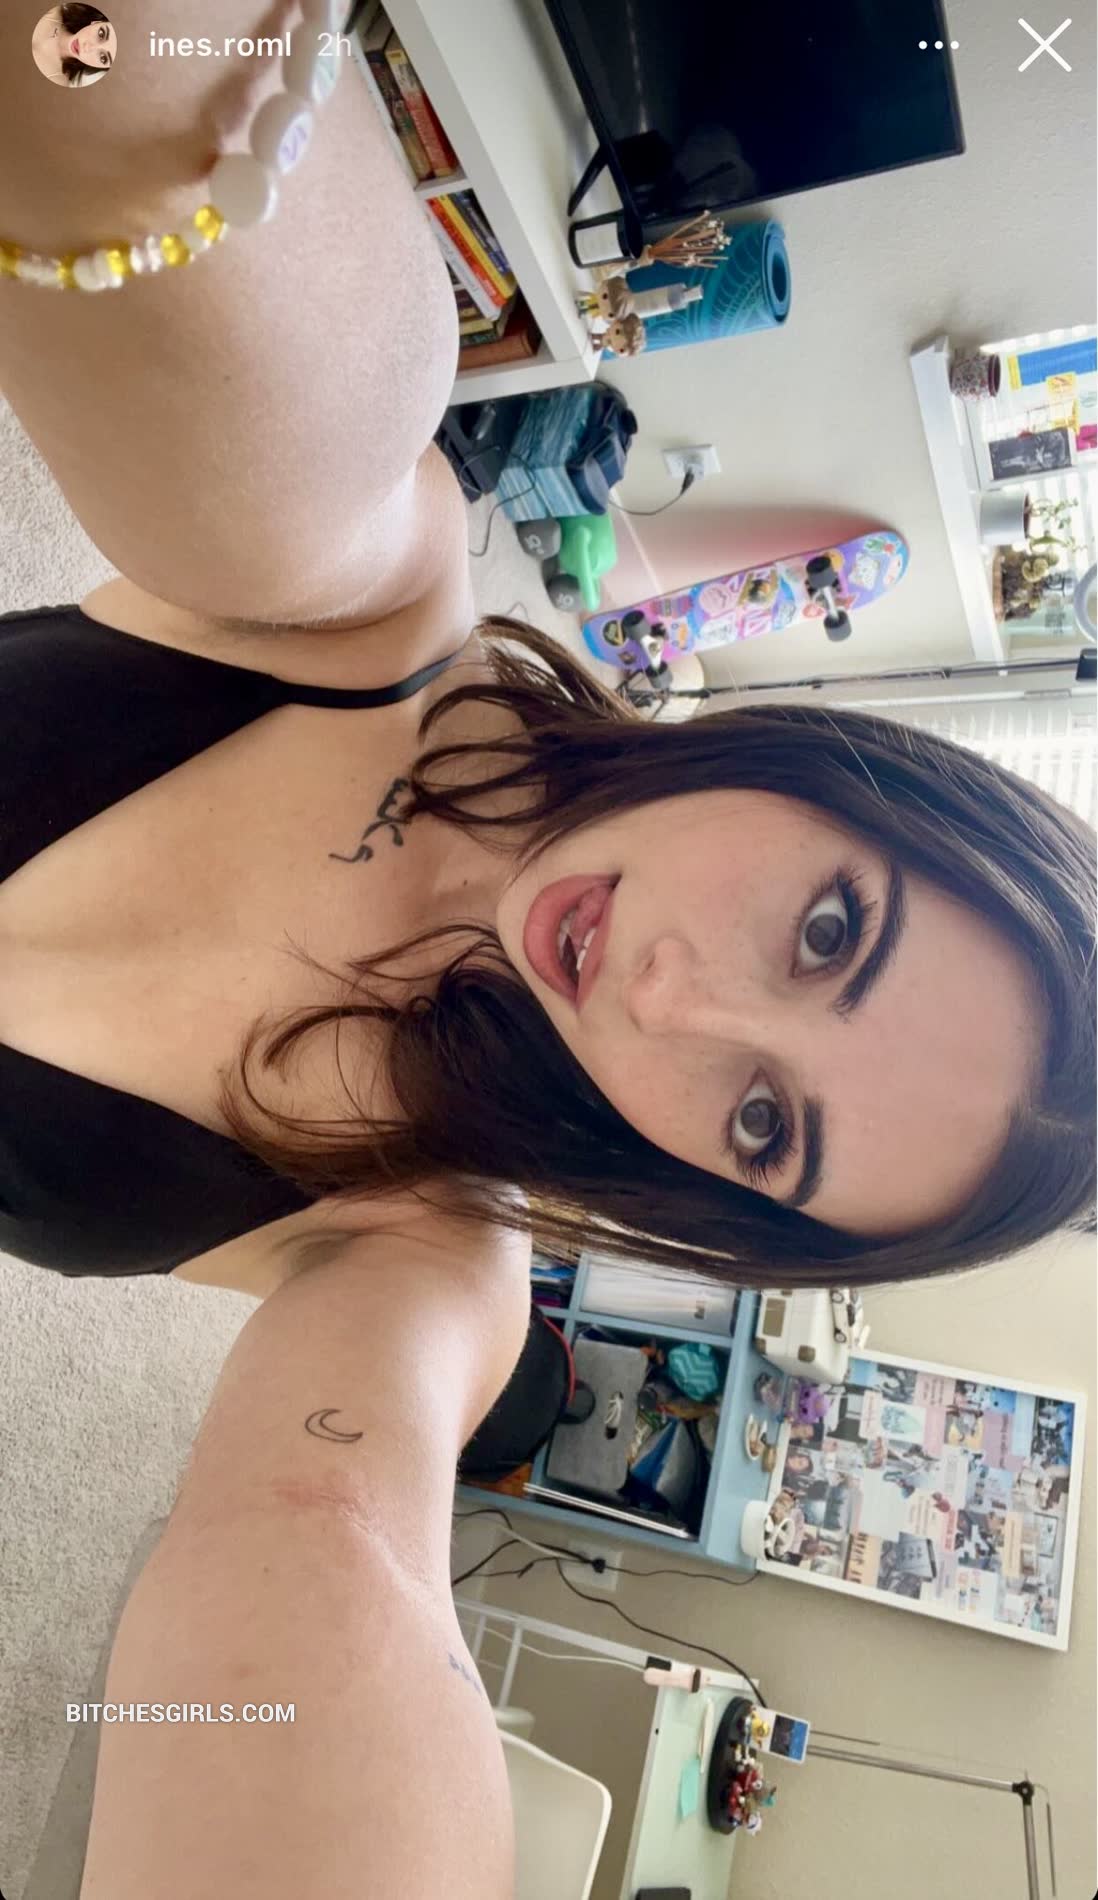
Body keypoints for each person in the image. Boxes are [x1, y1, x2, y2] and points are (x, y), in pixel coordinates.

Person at [0, 7, 1094, 1894]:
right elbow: (304, 394)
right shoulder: (372, 626)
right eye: (826, 927)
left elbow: (327, 1533)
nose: (671, 1000)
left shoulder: (422, 1248)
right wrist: (134, 95)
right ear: (836, 773)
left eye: (761, 1124)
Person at [30, 3, 116, 87]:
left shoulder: (56, 84)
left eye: (103, 58)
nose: (88, 47)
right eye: (101, 34)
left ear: (100, 67)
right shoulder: (49, 10)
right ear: (96, 22)